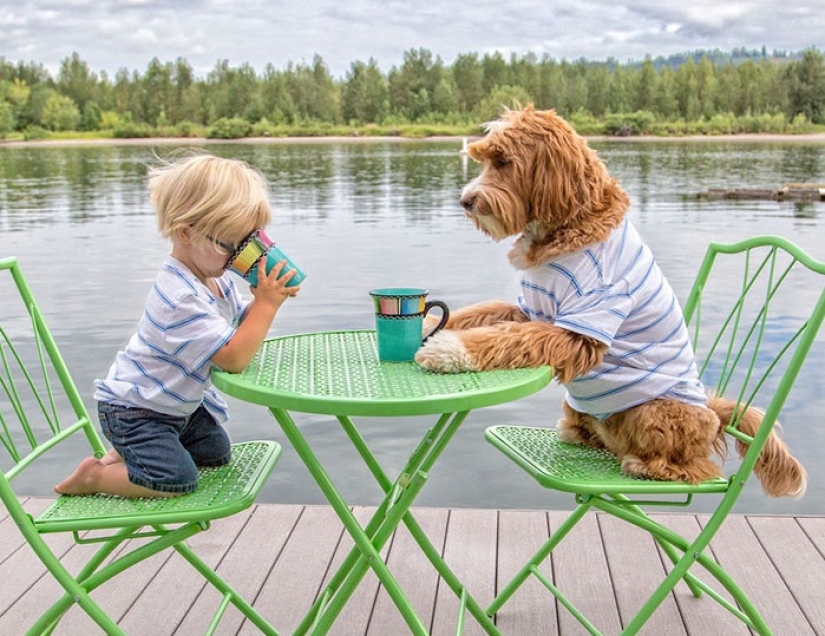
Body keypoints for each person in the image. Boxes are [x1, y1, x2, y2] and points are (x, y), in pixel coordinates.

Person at [55, 153, 300, 497]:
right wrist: (266, 305)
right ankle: (94, 478)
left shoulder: (217, 279)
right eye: (233, 247)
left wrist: (262, 299)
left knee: (215, 456)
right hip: (135, 412)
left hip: (176, 409)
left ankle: (123, 454)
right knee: (178, 481)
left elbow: (233, 330)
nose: (240, 258)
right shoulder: (178, 298)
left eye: (251, 244)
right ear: (187, 233)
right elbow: (233, 357)